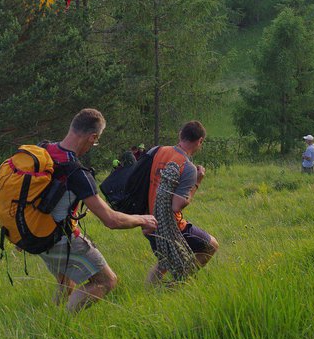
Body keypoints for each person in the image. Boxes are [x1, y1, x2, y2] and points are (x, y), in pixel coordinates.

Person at [39, 108, 157, 312]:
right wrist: (142, 219)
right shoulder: (76, 172)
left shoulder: (43, 151)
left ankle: (52, 321)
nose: (93, 145)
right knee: (105, 281)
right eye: (95, 141)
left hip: (35, 233)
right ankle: (62, 327)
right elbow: (111, 220)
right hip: (58, 238)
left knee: (66, 282)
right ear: (92, 137)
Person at [145, 121, 218, 286]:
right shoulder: (187, 166)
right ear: (200, 141)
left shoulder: (158, 151)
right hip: (171, 226)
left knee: (164, 260)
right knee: (211, 245)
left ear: (180, 134)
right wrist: (197, 182)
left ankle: (149, 294)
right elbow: (176, 205)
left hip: (149, 220)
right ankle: (178, 285)